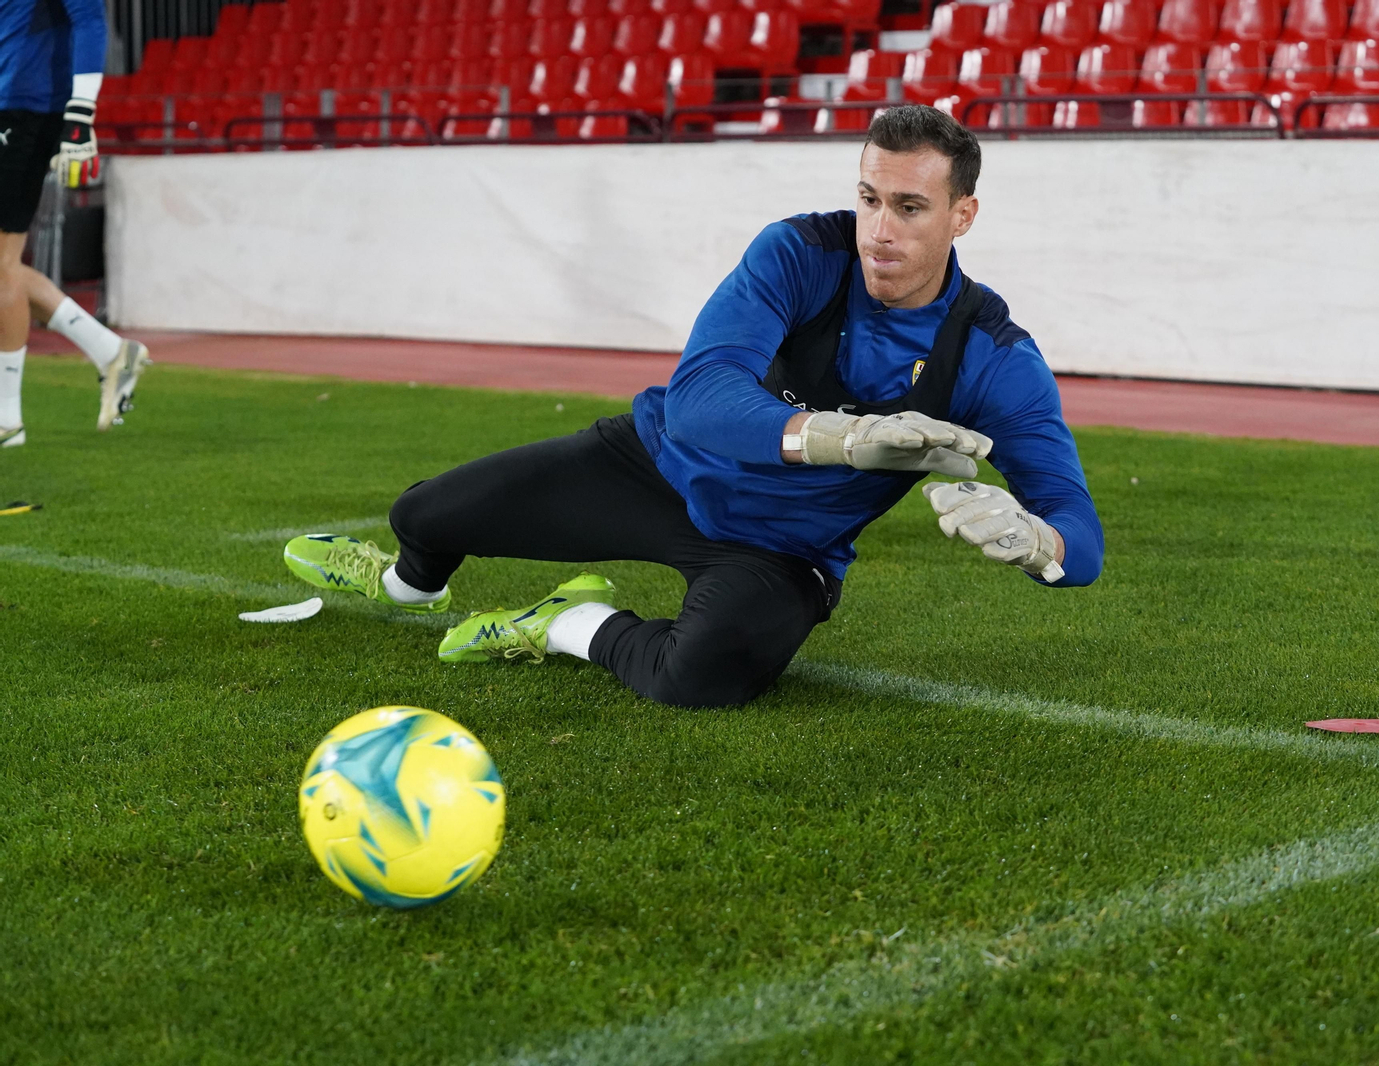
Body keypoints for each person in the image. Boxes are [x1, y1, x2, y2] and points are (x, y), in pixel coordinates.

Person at [285, 105, 1103, 708]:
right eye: (868, 198)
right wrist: (846, 439)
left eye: (910, 208)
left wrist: (1037, 542)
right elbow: (699, 402)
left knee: (701, 677)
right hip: (655, 468)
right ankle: (404, 586)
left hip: (780, 548)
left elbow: (1078, 530)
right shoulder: (800, 252)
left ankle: (568, 624)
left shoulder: (992, 353)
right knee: (425, 514)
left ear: (963, 216)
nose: (877, 229)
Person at [0, 0, 151, 448]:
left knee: (2, 261)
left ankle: (7, 420)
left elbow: (88, 17)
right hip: (10, 103)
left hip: (27, 106)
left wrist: (80, 115)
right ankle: (111, 352)